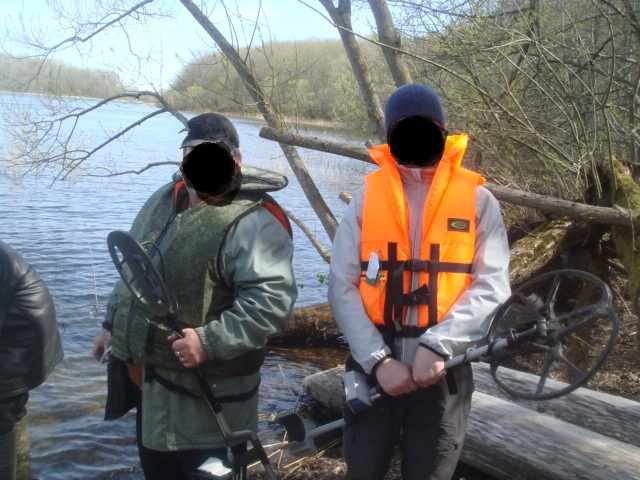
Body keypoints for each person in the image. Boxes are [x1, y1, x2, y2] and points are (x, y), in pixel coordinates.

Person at [92, 112, 297, 479]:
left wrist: (208, 341)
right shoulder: (163, 200)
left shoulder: (254, 221)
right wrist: (112, 325)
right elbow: (134, 270)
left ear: (236, 161)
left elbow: (271, 305)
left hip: (210, 405)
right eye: (193, 154)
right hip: (152, 393)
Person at [328, 83, 511, 480]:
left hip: (445, 369)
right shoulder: (365, 198)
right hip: (373, 365)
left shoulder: (479, 201)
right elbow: (342, 285)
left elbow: (493, 286)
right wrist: (378, 361)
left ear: (442, 132)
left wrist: (438, 345)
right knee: (362, 470)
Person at [0, 240, 64, 480]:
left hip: (22, 342)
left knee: (3, 413)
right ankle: (22, 473)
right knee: (11, 411)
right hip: (24, 334)